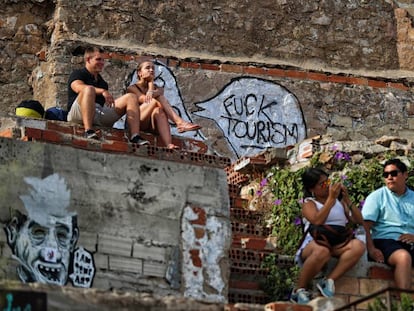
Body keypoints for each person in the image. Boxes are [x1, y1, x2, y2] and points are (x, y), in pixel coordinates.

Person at [291, 167, 365, 304]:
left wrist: (347, 200)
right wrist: (331, 200)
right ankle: (299, 289)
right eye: (322, 184)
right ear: (312, 189)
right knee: (322, 251)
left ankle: (329, 280)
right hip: (315, 242)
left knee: (358, 246)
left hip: (337, 241)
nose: (328, 186)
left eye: (328, 182)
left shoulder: (339, 203)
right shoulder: (309, 204)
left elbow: (359, 221)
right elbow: (317, 220)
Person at [67, 46, 148, 145]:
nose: (102, 63)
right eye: (98, 59)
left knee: (131, 97)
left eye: (103, 60)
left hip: (98, 113)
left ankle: (135, 136)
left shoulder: (102, 82)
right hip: (78, 112)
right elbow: (78, 87)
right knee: (88, 89)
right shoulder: (78, 74)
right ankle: (88, 130)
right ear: (88, 59)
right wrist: (102, 91)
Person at [362, 158, 414, 290]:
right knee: (403, 258)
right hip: (386, 241)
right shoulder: (377, 196)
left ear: (405, 175)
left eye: (394, 173)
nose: (389, 177)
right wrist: (371, 249)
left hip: (411, 241)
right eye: (386, 175)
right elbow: (365, 226)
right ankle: (404, 305)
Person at [126, 60, 202, 136]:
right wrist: (151, 82)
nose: (151, 70)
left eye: (153, 68)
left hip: (149, 124)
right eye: (147, 68)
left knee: (159, 105)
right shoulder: (132, 88)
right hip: (135, 122)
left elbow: (158, 93)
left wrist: (151, 85)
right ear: (139, 73)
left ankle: (178, 126)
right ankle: (179, 122)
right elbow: (145, 99)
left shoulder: (158, 88)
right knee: (155, 100)